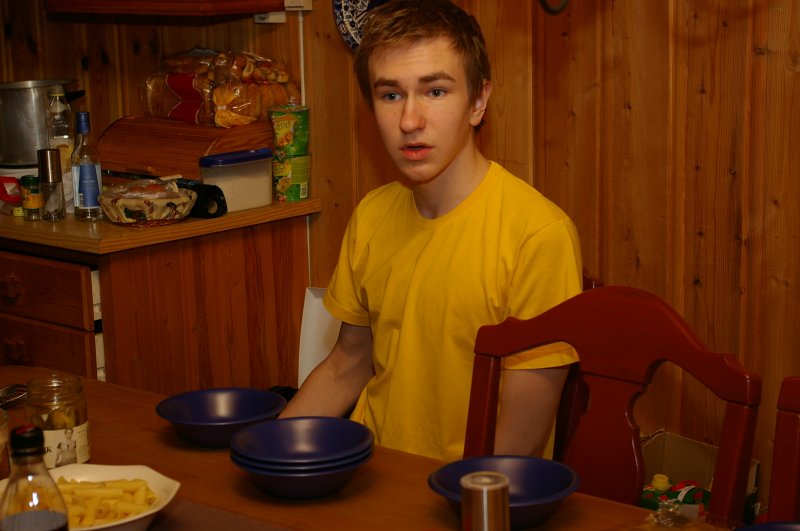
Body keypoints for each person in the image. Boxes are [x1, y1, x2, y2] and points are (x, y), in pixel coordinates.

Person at [280, 0, 583, 462]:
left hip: (469, 491)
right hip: (369, 476)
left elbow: (519, 441)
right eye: (390, 95)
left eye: (435, 91)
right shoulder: (372, 215)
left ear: (478, 101)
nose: (409, 121)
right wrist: (268, 451)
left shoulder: (538, 235)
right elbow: (348, 365)